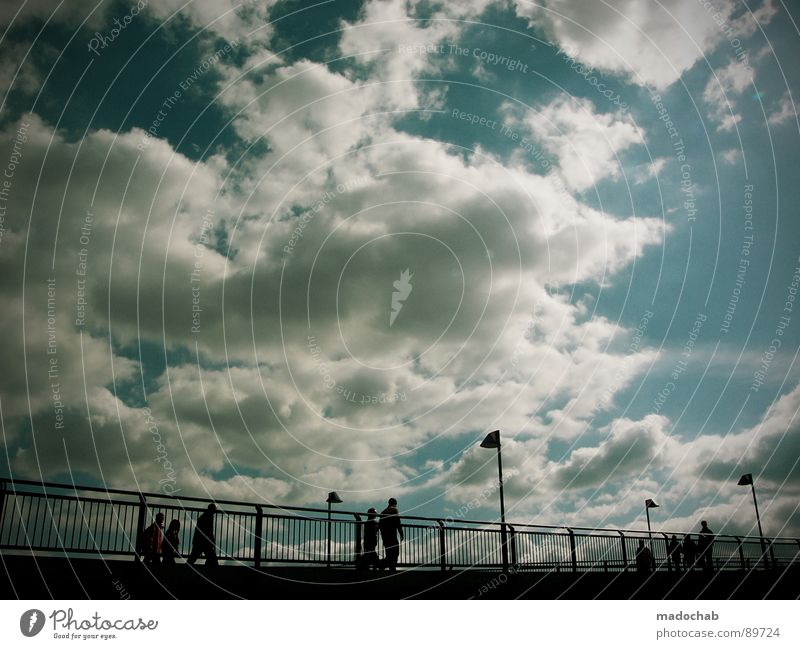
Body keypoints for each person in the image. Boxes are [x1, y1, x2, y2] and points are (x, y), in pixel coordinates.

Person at [379, 498, 404, 572]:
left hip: (385, 536)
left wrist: (383, 534)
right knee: (395, 552)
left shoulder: (383, 512)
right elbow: (398, 522)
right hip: (392, 535)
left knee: (389, 553)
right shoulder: (394, 510)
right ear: (395, 503)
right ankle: (386, 566)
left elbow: (380, 525)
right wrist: (401, 533)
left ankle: (388, 566)